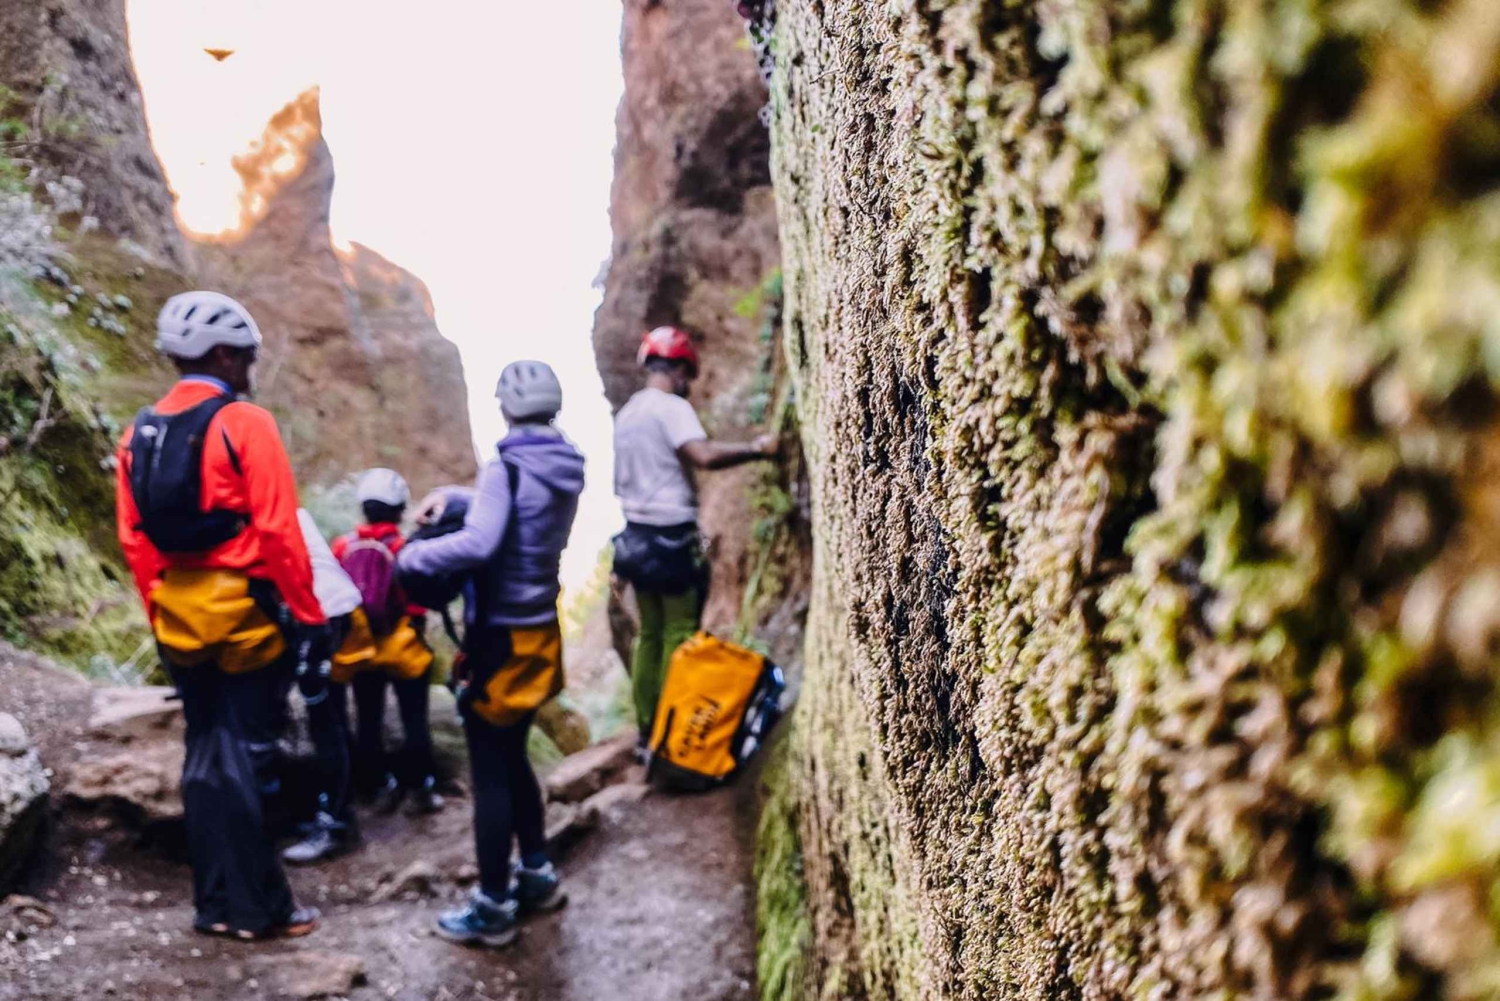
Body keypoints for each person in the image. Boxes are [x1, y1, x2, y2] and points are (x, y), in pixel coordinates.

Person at [115, 290, 321, 940]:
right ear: (225, 355)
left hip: (177, 615)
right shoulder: (245, 423)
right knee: (253, 756)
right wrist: (309, 612)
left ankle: (213, 903)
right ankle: (264, 909)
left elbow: (134, 540)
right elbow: (278, 530)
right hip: (245, 618)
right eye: (250, 356)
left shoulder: (137, 432)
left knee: (203, 755)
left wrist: (157, 611)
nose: (253, 367)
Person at [399, 360, 585, 949]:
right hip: (539, 634)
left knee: (490, 772)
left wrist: (410, 561)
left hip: (498, 639)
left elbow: (481, 541)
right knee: (514, 757)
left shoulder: (505, 465)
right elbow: (517, 515)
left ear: (505, 406)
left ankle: (493, 906)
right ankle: (536, 874)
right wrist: (460, 495)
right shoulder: (564, 463)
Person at [612, 326, 777, 751]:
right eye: (689, 374)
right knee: (679, 632)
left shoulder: (628, 413)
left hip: (634, 537)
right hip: (671, 537)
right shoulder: (670, 407)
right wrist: (758, 448)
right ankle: (674, 729)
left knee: (649, 634)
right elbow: (702, 455)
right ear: (680, 368)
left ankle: (648, 730)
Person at [334, 469, 443, 816]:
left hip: (362, 648)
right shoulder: (404, 548)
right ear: (399, 509)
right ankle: (421, 789)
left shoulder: (343, 546)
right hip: (403, 647)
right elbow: (417, 599)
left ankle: (376, 786)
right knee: (414, 720)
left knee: (369, 719)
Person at [282, 508, 376, 865]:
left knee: (325, 721)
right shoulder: (287, 504)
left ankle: (337, 825)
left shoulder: (262, 507)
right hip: (327, 609)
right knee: (327, 717)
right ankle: (329, 813)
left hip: (320, 611)